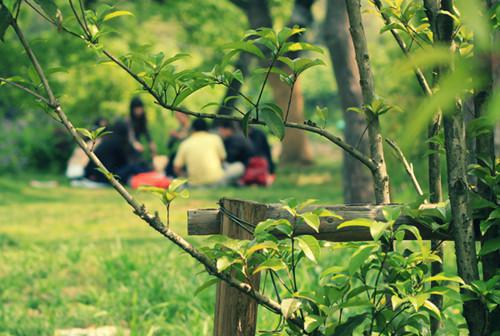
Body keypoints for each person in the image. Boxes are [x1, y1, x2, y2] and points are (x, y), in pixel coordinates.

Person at [173, 119, 243, 186]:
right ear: (207, 128)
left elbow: (176, 167)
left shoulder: (185, 143)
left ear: (193, 129)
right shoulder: (215, 138)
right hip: (216, 181)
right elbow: (222, 159)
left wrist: (186, 177)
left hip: (195, 184)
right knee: (239, 166)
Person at [84, 120, 147, 184]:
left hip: (98, 175)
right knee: (133, 167)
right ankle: (150, 174)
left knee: (132, 168)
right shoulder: (118, 143)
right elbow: (124, 162)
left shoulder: (107, 140)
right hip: (106, 176)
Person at [165, 111, 190, 177]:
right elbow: (168, 145)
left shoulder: (191, 127)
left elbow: (187, 138)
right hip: (177, 154)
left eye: (180, 116)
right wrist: (172, 137)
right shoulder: (179, 128)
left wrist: (177, 135)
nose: (178, 118)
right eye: (177, 117)